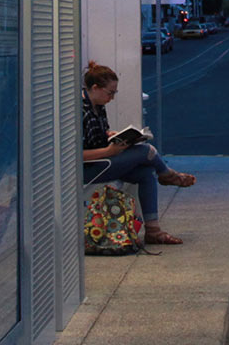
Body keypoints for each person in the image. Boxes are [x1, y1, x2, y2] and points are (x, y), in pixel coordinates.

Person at [82, 61, 195, 245]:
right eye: (110, 93)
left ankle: (153, 230)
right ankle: (168, 175)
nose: (112, 98)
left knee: (145, 174)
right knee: (146, 151)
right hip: (90, 167)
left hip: (103, 161)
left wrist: (110, 136)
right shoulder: (81, 111)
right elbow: (76, 155)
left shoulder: (98, 106)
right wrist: (109, 150)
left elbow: (94, 137)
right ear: (95, 88)